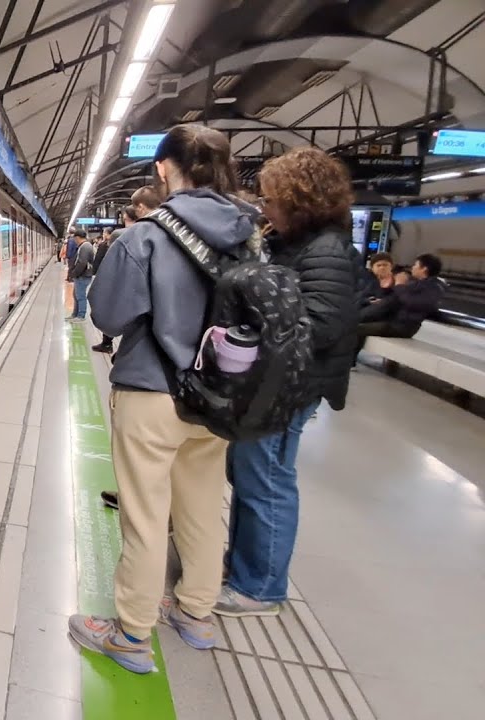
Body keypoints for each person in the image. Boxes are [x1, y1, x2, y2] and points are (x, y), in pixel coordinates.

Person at [69, 124, 254, 673]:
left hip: (153, 390)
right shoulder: (248, 235)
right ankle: (196, 615)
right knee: (201, 506)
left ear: (162, 168)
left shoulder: (145, 235)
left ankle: (130, 633)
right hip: (220, 394)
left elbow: (109, 315)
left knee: (146, 516)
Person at [216, 147, 359, 617]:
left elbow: (322, 324)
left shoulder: (327, 251)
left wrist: (255, 310)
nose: (265, 207)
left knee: (268, 482)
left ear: (301, 200)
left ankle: (260, 588)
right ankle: (243, 567)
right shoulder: (297, 245)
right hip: (275, 384)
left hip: (291, 388)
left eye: (272, 199)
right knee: (248, 475)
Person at [91, 187, 161, 355]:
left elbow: (105, 309)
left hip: (140, 338)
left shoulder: (124, 236)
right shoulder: (181, 231)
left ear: (141, 208)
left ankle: (108, 344)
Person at [354, 253, 446, 356]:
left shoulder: (433, 287)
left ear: (424, 269)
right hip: (393, 321)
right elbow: (392, 300)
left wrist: (399, 285)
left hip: (402, 327)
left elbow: (411, 302)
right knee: (355, 324)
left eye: (416, 265)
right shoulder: (418, 283)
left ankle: (350, 362)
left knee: (357, 329)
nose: (413, 267)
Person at [67, 229, 95, 320]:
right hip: (81, 275)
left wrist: (74, 273)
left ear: (78, 237)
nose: (74, 241)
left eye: (75, 239)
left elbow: (82, 262)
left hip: (83, 275)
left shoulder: (85, 247)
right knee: (76, 295)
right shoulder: (84, 246)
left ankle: (81, 316)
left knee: (80, 296)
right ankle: (75, 314)